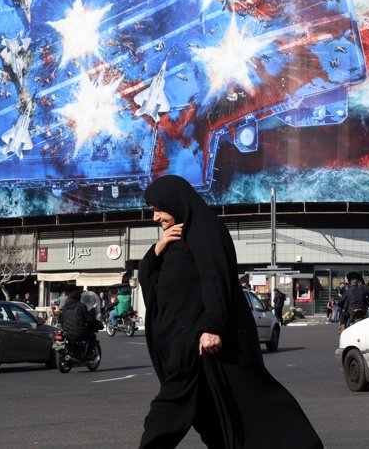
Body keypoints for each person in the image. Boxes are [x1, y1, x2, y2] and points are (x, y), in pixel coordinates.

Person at [138, 175, 322, 449]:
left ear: (173, 202)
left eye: (157, 209)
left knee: (169, 412)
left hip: (196, 346)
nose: (155, 217)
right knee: (215, 416)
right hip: (183, 346)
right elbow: (148, 280)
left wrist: (213, 325)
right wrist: (157, 249)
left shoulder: (206, 230)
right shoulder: (174, 241)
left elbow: (217, 279)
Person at [60, 288, 98, 355]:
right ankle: (88, 354)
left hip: (66, 331)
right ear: (79, 298)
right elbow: (88, 319)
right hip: (78, 332)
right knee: (92, 336)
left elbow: (61, 320)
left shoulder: (65, 307)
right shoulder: (81, 306)